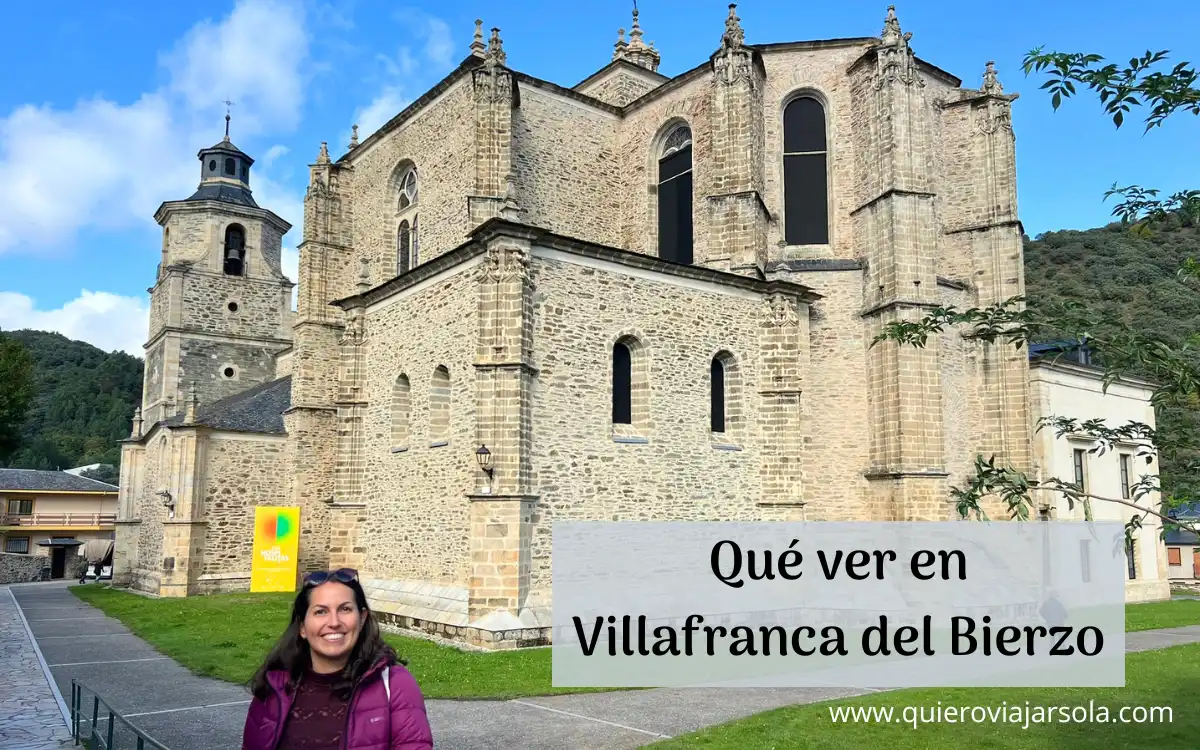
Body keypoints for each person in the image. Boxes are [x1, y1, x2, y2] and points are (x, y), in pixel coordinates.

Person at [241, 568, 434, 749]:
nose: (334, 622)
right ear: (302, 626)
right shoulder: (274, 689)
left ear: (362, 618)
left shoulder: (395, 685)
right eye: (320, 611)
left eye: (345, 609)